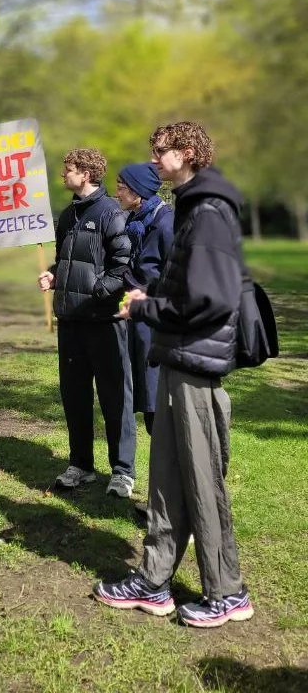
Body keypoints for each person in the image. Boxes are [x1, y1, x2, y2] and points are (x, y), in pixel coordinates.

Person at [93, 121, 254, 628]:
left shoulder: (207, 211)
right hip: (177, 359)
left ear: (186, 154)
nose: (153, 160)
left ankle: (227, 592)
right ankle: (154, 581)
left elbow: (209, 299)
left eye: (159, 152)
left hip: (196, 364)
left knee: (202, 480)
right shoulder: (192, 206)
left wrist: (146, 308)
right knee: (165, 476)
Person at [38, 149, 136, 498]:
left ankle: (123, 471)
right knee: (74, 397)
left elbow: (123, 264)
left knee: (115, 399)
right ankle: (80, 465)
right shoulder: (66, 216)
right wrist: (53, 276)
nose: (62, 176)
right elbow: (66, 260)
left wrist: (98, 292)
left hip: (103, 321)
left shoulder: (111, 212)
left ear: (86, 173)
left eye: (68, 170)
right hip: (70, 322)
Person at [115, 163, 174, 436]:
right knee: (143, 392)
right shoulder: (134, 221)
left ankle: (174, 470)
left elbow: (177, 275)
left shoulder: (165, 223)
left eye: (122, 187)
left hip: (156, 321)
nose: (117, 192)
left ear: (138, 191)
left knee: (158, 400)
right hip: (137, 318)